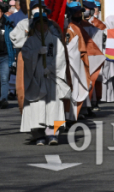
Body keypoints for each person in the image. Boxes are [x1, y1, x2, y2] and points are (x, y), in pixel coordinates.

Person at [17, 12, 71, 146]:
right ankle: (38, 135)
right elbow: (26, 56)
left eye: (45, 23)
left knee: (54, 106)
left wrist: (51, 68)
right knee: (37, 106)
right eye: (39, 24)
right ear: (34, 26)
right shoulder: (30, 41)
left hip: (52, 78)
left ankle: (53, 134)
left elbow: (60, 58)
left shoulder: (55, 40)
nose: (42, 26)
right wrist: (36, 53)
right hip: (36, 78)